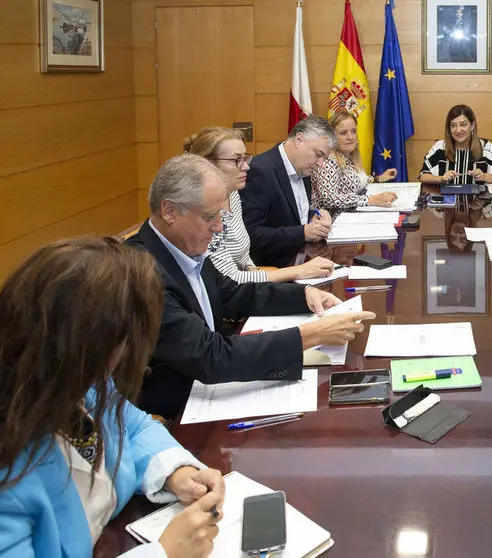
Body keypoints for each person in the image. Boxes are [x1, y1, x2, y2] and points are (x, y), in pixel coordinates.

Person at [0, 237, 225, 557]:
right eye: (121, 344)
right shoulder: (10, 468)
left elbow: (132, 428)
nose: (122, 358)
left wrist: (178, 474)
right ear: (82, 346)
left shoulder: (80, 385)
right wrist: (164, 553)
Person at [127, 154, 376, 418]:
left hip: (211, 391)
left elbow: (234, 293)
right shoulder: (142, 271)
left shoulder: (184, 245)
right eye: (211, 217)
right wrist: (311, 335)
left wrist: (304, 295)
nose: (220, 227)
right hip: (178, 412)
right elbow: (209, 356)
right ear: (169, 211)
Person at [183, 126, 337, 283]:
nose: (246, 166)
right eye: (237, 160)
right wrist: (297, 271)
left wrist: (255, 272)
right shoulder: (202, 209)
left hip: (250, 284)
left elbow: (244, 258)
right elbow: (229, 278)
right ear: (208, 163)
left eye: (245, 158)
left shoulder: (233, 194)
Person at [240, 116, 336, 268]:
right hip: (272, 270)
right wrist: (303, 233)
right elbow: (250, 235)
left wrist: (316, 216)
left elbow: (293, 214)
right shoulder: (260, 171)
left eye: (324, 158)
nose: (321, 164)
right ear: (299, 139)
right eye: (318, 154)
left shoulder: (303, 168)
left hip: (302, 261)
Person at [311, 111, 399, 219]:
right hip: (331, 224)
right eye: (343, 133)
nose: (350, 137)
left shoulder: (347, 158)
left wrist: (378, 178)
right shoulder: (328, 160)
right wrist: (371, 200)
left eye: (353, 132)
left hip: (349, 218)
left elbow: (356, 183)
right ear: (331, 137)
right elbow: (329, 199)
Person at [419, 104, 492, 186]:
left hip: (479, 202)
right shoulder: (440, 147)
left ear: (472, 126)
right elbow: (423, 176)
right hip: (446, 201)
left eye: (463, 124)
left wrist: (484, 176)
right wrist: (441, 179)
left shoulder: (485, 146)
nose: (458, 130)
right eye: (453, 125)